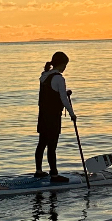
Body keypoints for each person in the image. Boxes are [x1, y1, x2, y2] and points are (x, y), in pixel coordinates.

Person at [35, 51, 76, 184]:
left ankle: (39, 171)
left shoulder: (44, 76)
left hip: (43, 115)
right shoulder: (59, 78)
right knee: (52, 146)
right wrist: (72, 114)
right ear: (61, 64)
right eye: (65, 65)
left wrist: (64, 91)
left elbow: (51, 93)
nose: (65, 68)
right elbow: (63, 99)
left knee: (42, 143)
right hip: (53, 117)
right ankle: (54, 175)